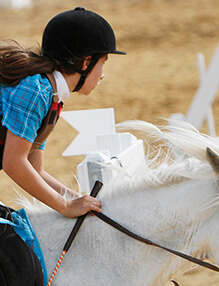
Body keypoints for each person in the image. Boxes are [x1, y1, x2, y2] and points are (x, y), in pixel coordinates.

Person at [0, 7, 126, 218]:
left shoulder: (52, 97)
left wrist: (77, 199)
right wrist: (66, 207)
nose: (102, 76)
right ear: (86, 62)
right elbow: (13, 163)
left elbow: (35, 169)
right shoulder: (36, 92)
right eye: (102, 64)